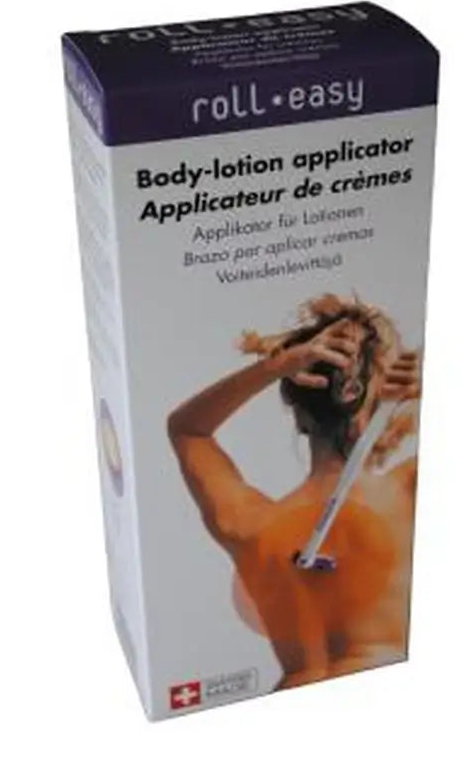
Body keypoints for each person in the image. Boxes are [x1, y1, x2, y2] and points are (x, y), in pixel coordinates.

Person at [167, 294, 421, 689]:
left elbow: (187, 429)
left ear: (296, 406)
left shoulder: (250, 524)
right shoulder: (406, 494)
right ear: (363, 394)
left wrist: (275, 367)